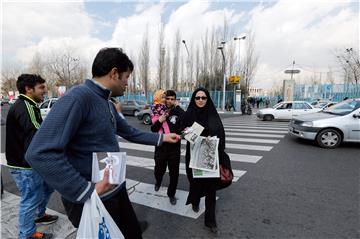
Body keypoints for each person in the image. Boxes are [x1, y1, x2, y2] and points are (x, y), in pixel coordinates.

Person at [25, 48, 181, 239]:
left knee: (132, 232)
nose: (127, 83)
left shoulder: (106, 103)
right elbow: (39, 153)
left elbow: (128, 131)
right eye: (126, 77)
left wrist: (162, 138)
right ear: (114, 73)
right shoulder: (78, 98)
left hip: (115, 188)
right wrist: (86, 190)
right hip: (92, 199)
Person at [6, 74, 58, 239]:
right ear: (29, 89)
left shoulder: (29, 104)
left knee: (48, 186)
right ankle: (27, 234)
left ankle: (39, 214)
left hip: (30, 162)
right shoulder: (25, 106)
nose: (45, 91)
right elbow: (39, 135)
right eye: (41, 88)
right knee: (30, 198)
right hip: (24, 165)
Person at [181, 87, 233, 234]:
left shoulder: (213, 114)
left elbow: (221, 135)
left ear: (208, 99)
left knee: (211, 189)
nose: (200, 100)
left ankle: (210, 221)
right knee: (195, 183)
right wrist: (193, 134)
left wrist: (213, 140)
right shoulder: (189, 114)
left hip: (211, 156)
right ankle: (195, 201)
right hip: (194, 155)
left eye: (203, 98)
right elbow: (181, 130)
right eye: (197, 98)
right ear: (193, 99)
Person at [151, 90, 185, 205]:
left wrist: (182, 134)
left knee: (174, 173)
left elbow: (186, 120)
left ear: (175, 100)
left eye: (172, 99)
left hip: (174, 149)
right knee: (159, 169)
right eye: (168, 98)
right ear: (164, 98)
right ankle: (158, 180)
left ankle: (171, 194)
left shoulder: (177, 112)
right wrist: (160, 120)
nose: (170, 101)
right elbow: (153, 129)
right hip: (161, 147)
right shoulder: (159, 110)